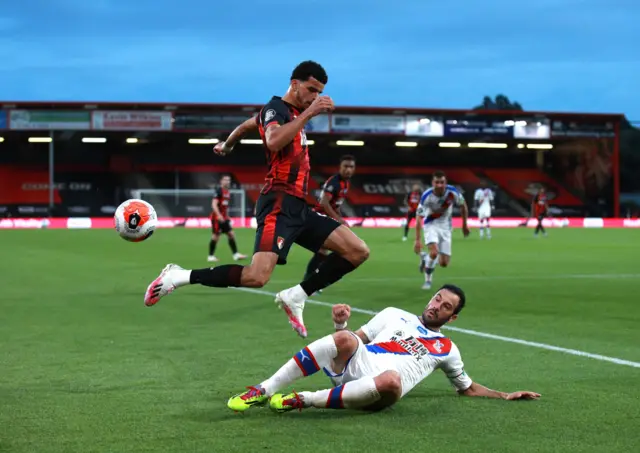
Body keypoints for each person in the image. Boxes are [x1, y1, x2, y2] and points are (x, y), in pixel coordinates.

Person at [143, 60, 370, 339]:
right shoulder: (277, 109)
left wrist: (228, 143)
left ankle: (296, 295)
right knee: (257, 276)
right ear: (294, 84)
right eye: (311, 90)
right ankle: (177, 276)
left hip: (299, 204)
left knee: (357, 250)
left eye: (319, 92)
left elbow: (249, 124)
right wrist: (310, 112)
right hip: (278, 202)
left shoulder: (285, 113)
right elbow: (273, 140)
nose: (314, 96)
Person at [227, 284, 540, 413]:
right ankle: (263, 389)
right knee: (348, 338)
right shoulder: (394, 314)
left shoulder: (448, 348)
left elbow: (467, 388)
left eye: (445, 307)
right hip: (352, 370)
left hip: (380, 391)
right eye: (436, 299)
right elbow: (349, 344)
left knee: (392, 379)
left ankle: (303, 400)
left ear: (452, 316)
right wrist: (340, 326)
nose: (436, 307)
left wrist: (504, 394)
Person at [302, 155, 356, 285]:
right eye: (345, 166)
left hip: (327, 219)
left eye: (351, 167)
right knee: (331, 250)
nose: (348, 170)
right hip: (319, 218)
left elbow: (335, 204)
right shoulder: (334, 182)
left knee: (325, 252)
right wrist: (338, 219)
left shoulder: (345, 183)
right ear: (340, 167)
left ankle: (314, 279)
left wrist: (340, 219)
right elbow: (324, 203)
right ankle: (311, 280)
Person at [414, 171, 469, 290]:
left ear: (446, 183)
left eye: (442, 182)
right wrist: (417, 240)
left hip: (446, 227)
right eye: (437, 182)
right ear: (432, 183)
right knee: (434, 253)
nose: (439, 185)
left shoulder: (452, 192)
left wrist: (464, 225)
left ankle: (425, 258)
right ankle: (428, 280)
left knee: (444, 263)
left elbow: (463, 206)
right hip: (431, 225)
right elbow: (419, 217)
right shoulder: (426, 196)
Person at [207, 175, 247, 262]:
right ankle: (210, 256)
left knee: (231, 234)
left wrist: (227, 215)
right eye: (225, 180)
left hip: (224, 218)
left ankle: (236, 254)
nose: (227, 181)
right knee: (215, 236)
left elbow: (225, 206)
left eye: (228, 180)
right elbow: (214, 204)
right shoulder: (219, 191)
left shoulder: (227, 192)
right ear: (221, 181)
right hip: (217, 218)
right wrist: (219, 215)